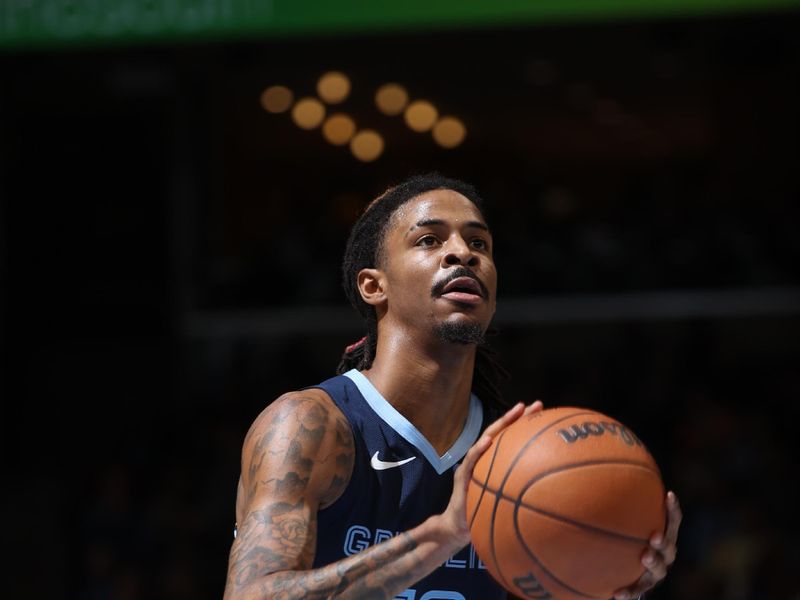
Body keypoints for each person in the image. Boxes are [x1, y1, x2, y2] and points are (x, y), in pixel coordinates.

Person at [223, 174, 681, 600]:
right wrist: (443, 535)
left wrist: (608, 577)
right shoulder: (311, 425)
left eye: (478, 242)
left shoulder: (511, 449)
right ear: (372, 286)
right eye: (429, 239)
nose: (463, 253)